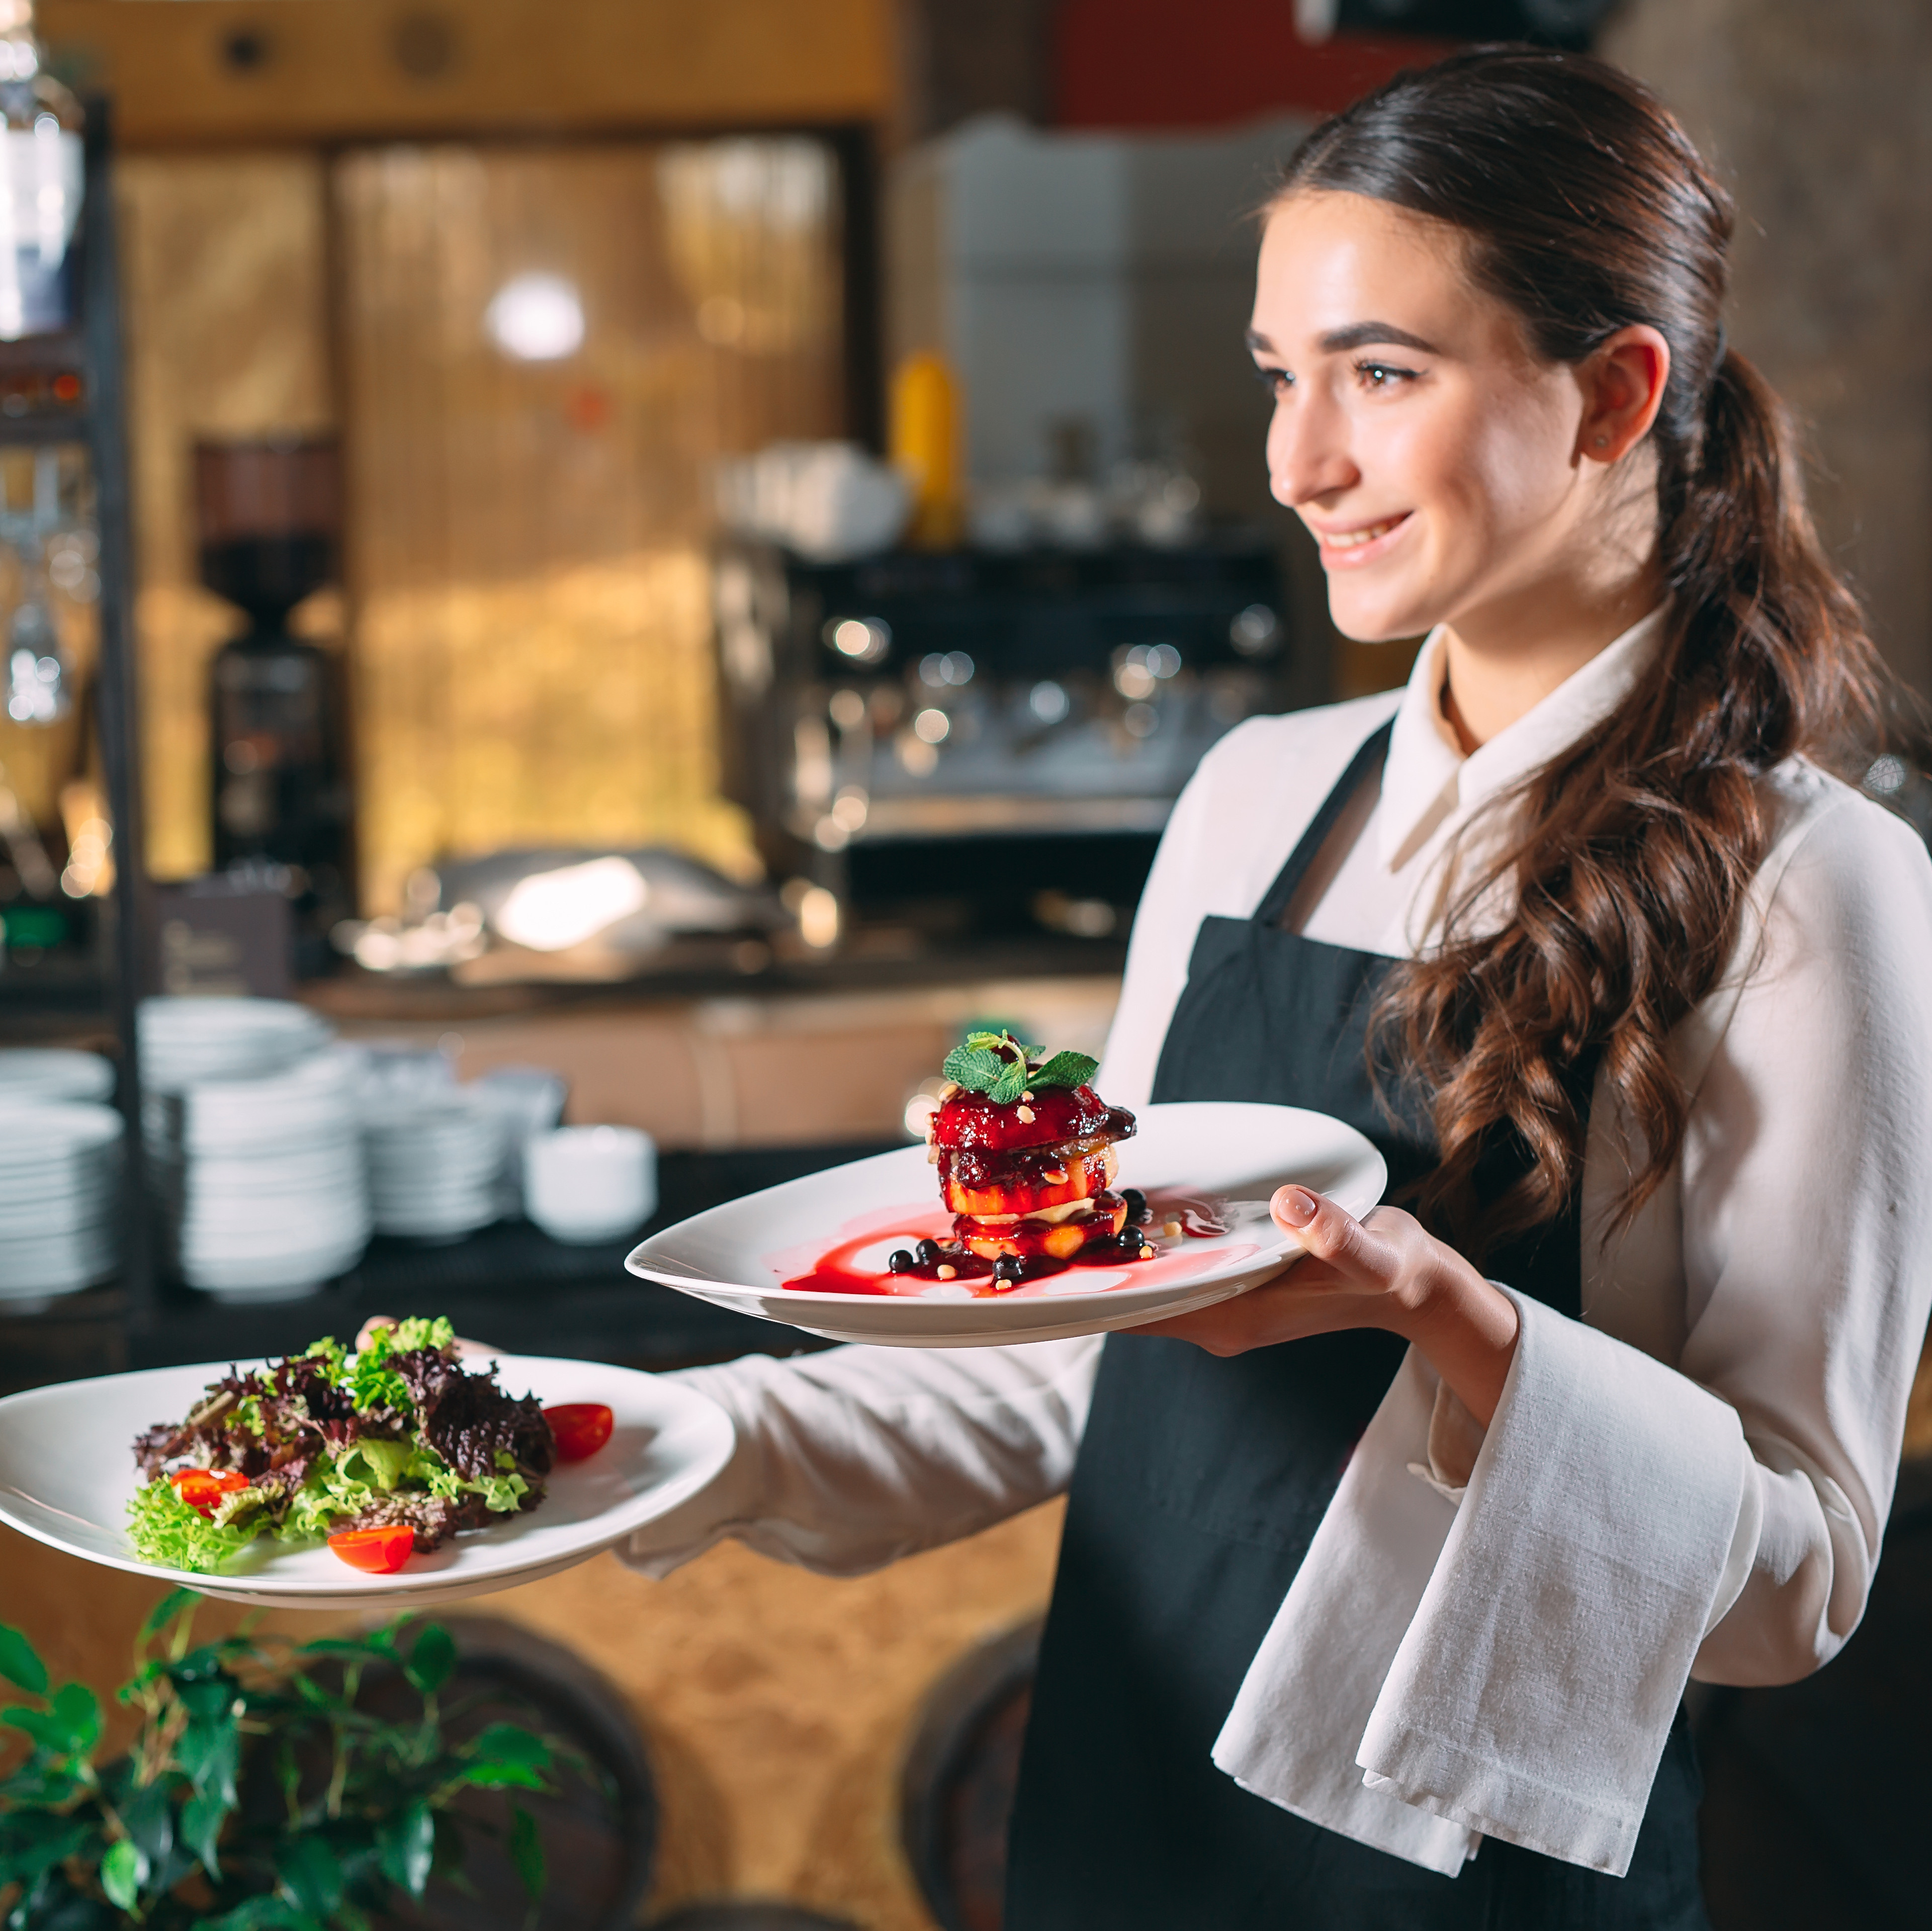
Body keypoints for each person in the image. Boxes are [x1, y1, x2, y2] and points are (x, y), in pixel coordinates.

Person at [616, 48, 1932, 1928]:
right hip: (1127, 1809)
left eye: (1379, 374)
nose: (1294, 462)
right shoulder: (1253, 799)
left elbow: (1796, 1588)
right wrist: (651, 1441)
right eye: (1277, 377)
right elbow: (1072, 1370)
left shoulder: (1814, 887)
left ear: (1613, 393)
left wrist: (1453, 1329)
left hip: (1473, 1867)